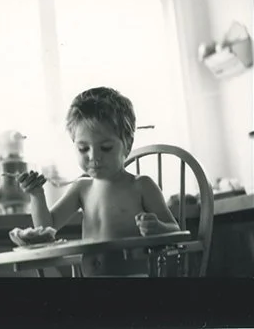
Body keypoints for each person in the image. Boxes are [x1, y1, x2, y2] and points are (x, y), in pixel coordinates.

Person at [18, 86, 181, 276]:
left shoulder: (140, 186)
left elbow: (176, 231)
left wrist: (158, 228)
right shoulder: (82, 188)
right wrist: (37, 195)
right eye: (83, 149)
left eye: (105, 148)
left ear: (127, 144)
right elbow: (46, 227)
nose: (94, 157)